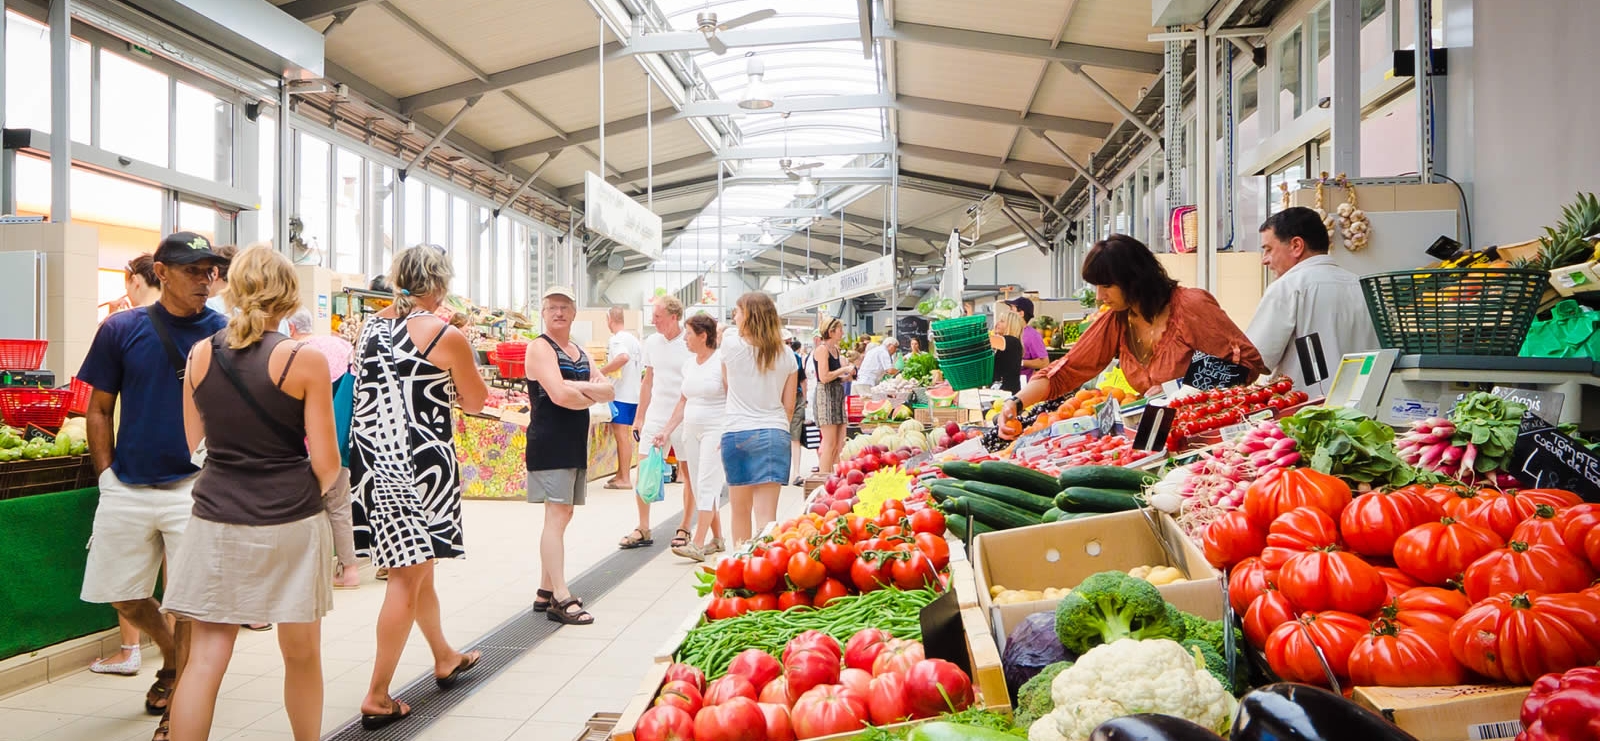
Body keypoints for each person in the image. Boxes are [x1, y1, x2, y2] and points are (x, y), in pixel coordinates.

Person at [164, 247, 341, 741]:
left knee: (205, 659)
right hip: (290, 521)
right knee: (301, 653)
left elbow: (193, 445)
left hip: (215, 519)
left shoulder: (201, 354)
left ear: (234, 289)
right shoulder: (302, 360)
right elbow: (327, 463)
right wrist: (298, 491)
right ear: (288, 296)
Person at [77, 231, 229, 741]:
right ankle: (167, 652)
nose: (205, 280)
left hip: (196, 487)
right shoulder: (121, 329)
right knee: (119, 593)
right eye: (192, 270)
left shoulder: (224, 332)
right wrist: (105, 475)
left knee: (187, 600)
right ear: (160, 272)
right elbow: (98, 409)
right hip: (128, 483)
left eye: (210, 271)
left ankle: (177, 710)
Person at [349, 246, 489, 730]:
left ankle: (444, 655)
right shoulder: (444, 334)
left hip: (373, 463)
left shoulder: (367, 329)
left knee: (417, 568)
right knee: (407, 577)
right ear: (441, 284)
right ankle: (377, 694)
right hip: (417, 466)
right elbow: (475, 400)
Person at [994, 234, 1267, 438]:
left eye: (1107, 286)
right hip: (1157, 432)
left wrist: (1178, 387)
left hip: (1207, 433)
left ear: (1135, 279)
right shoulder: (1116, 320)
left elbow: (1246, 364)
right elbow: (1066, 371)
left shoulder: (1190, 307)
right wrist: (1015, 403)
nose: (1100, 296)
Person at [91, 253, 162, 678]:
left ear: (135, 280)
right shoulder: (198, 326)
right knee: (177, 581)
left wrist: (106, 473)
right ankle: (176, 660)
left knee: (125, 577)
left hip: (131, 466)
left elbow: (97, 406)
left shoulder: (119, 326)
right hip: (180, 474)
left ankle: (131, 649)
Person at [525, 285, 611, 625]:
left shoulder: (579, 352)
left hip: (574, 443)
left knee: (563, 514)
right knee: (557, 515)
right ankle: (560, 596)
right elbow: (559, 395)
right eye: (552, 307)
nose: (559, 312)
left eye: (565, 307)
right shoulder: (538, 348)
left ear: (574, 314)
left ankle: (543, 590)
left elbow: (609, 389)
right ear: (543, 314)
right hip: (549, 441)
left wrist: (578, 389)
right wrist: (587, 391)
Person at [1246, 206, 1380, 390]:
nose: (1264, 260)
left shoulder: (1288, 287)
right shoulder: (1366, 288)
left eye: (1268, 249)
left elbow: (1257, 359)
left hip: (1307, 410)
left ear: (1296, 246)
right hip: (1364, 409)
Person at [287, 309, 361, 590]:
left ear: (291, 327)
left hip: (305, 441)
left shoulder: (294, 352)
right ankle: (350, 568)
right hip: (338, 438)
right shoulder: (341, 344)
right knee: (340, 505)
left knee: (305, 508)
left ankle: (308, 571)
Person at [721, 292, 798, 545]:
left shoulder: (731, 346)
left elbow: (726, 385)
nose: (735, 315)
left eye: (738, 310)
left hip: (737, 432)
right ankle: (765, 574)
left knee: (739, 511)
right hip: (774, 433)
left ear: (750, 316)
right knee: (767, 518)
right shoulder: (787, 355)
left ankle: (740, 570)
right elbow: (789, 406)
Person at [653, 314, 728, 561]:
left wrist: (728, 429)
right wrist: (666, 430)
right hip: (690, 431)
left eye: (688, 334)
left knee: (707, 483)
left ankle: (697, 543)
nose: (684, 338)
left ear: (703, 336)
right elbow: (683, 401)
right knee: (697, 484)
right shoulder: (690, 365)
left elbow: (731, 397)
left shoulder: (720, 362)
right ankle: (717, 539)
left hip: (714, 430)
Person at [632, 296, 697, 551]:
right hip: (657, 414)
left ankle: (685, 525)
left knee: (688, 472)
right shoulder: (652, 342)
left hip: (684, 414)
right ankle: (643, 526)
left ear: (673, 316)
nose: (653, 321)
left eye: (657, 316)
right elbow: (647, 381)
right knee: (644, 467)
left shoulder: (688, 343)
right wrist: (639, 417)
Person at [601, 306, 643, 496]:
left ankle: (625, 478)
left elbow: (623, 357)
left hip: (621, 395)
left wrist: (601, 372)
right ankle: (621, 473)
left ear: (610, 319)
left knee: (621, 436)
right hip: (634, 394)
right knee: (624, 436)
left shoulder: (617, 339)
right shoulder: (633, 339)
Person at [811, 318, 854, 474]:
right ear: (831, 331)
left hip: (837, 394)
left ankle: (835, 476)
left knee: (839, 443)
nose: (842, 333)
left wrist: (846, 376)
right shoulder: (822, 350)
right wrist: (843, 370)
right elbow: (824, 377)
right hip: (826, 397)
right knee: (829, 443)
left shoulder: (836, 350)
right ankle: (823, 478)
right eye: (840, 330)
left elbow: (835, 377)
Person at [1003, 297, 1051, 379]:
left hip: (1022, 384)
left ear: (1021, 313)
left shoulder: (1032, 335)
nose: (1008, 312)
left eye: (1011, 309)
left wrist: (1020, 362)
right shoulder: (1007, 331)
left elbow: (1044, 362)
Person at [787, 337, 808, 486]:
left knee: (794, 436)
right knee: (791, 437)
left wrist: (804, 400)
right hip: (790, 398)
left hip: (792, 398)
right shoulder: (794, 358)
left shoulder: (795, 358)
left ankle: (794, 472)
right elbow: (802, 380)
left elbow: (803, 380)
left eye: (789, 343)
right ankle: (793, 472)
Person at [991, 309, 1024, 393]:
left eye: (1002, 321)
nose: (997, 323)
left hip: (1007, 393)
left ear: (1011, 325)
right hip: (1001, 391)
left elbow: (986, 341)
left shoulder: (1012, 341)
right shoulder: (1007, 343)